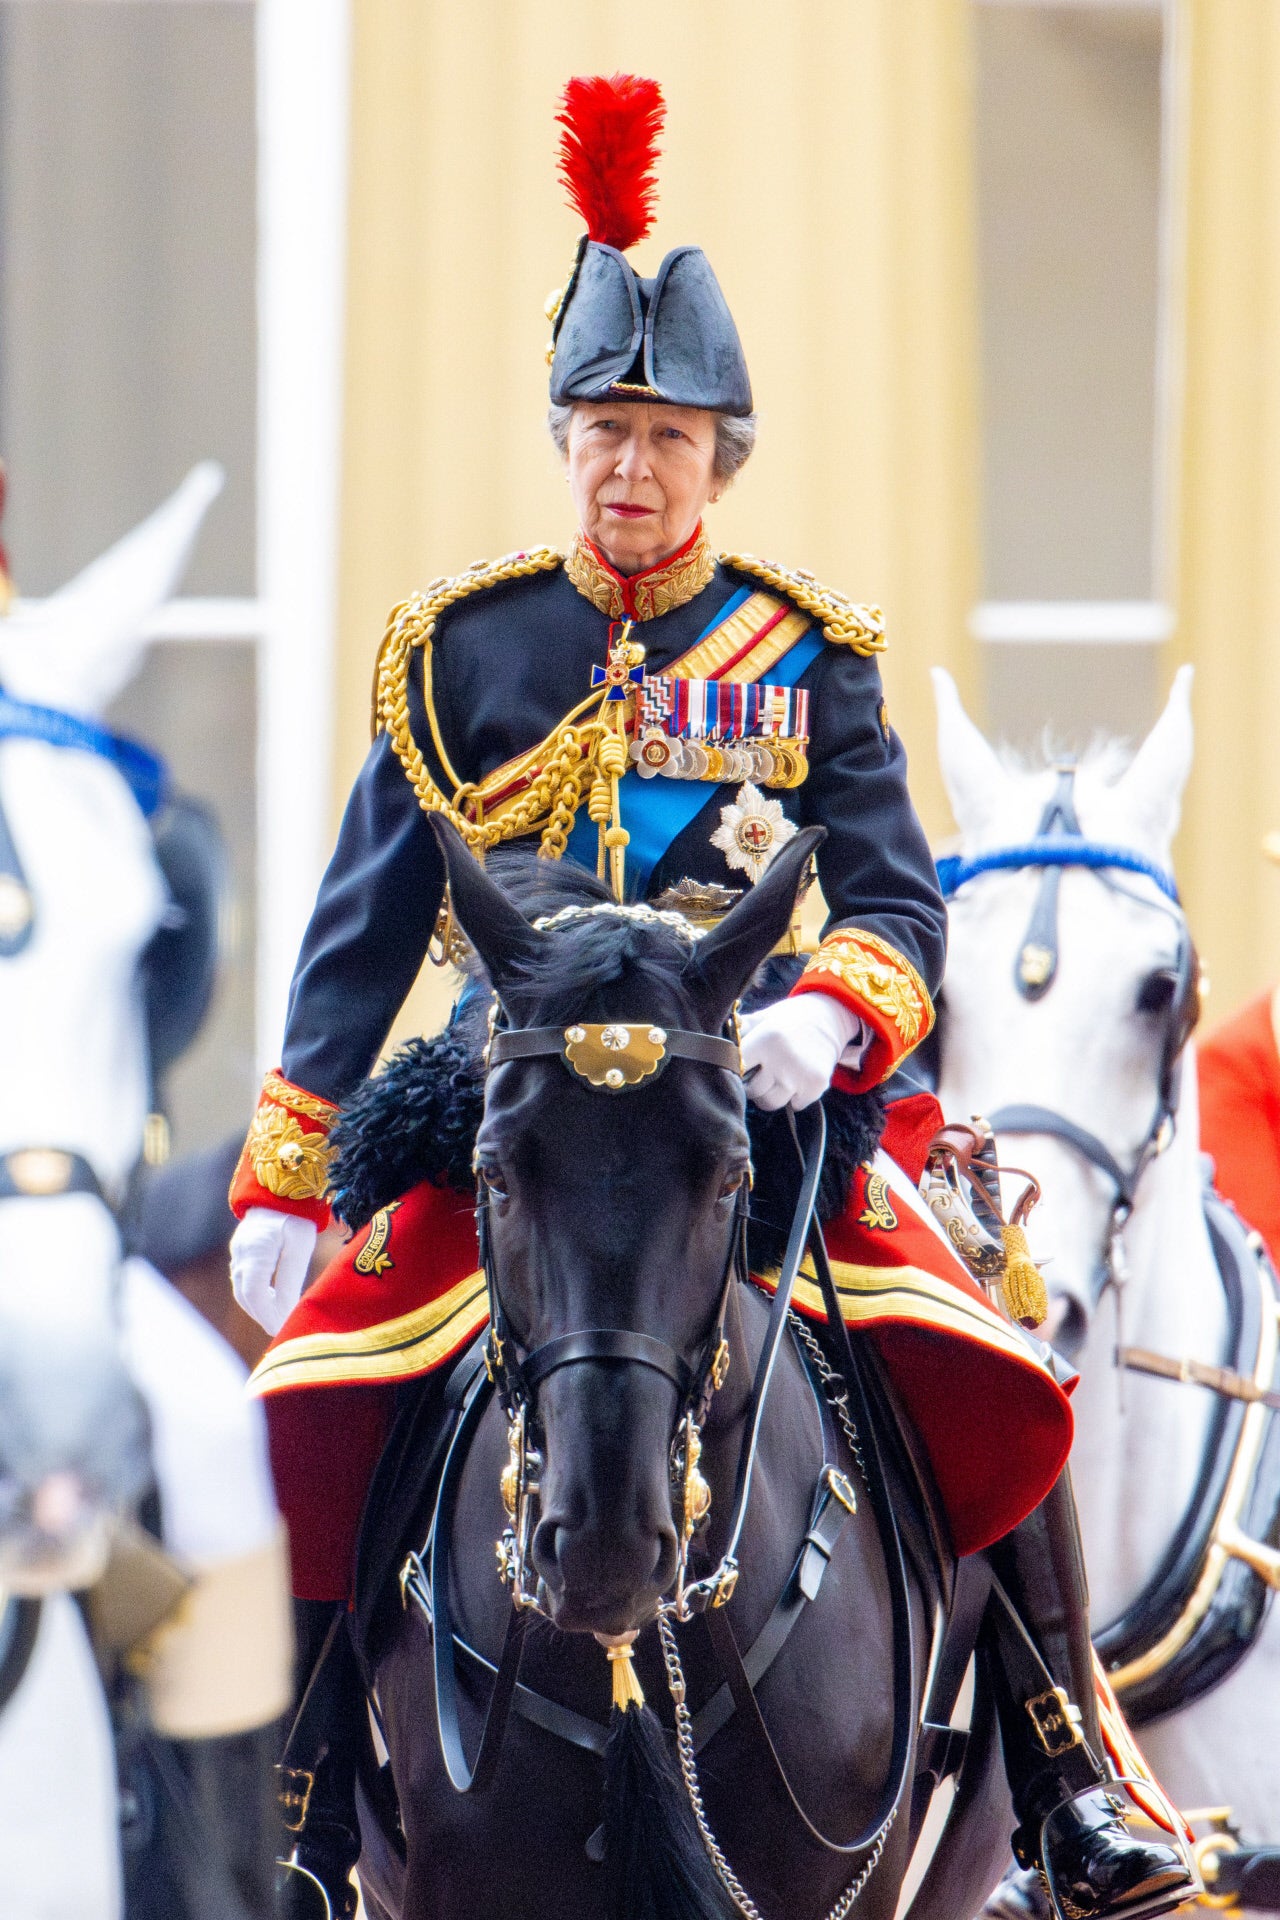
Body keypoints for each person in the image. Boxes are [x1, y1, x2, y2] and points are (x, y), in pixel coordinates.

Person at [229, 74, 1195, 1920]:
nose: (629, 465)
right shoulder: (464, 651)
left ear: (724, 458)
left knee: (968, 1332)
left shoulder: (806, 656)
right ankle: (294, 1772)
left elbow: (901, 901)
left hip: (745, 1093)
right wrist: (286, 1176)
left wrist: (827, 1017)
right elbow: (360, 936)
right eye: (602, 426)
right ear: (562, 438)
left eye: (667, 433)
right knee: (336, 1368)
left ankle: (1074, 1756)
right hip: (510, 1092)